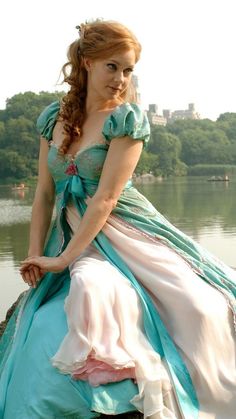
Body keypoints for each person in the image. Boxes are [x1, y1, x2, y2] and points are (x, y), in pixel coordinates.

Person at [0, 19, 235, 419]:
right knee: (72, 302)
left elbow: (106, 198)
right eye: (113, 66)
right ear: (87, 63)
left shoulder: (125, 121)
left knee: (197, 306)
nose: (121, 78)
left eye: (128, 70)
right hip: (73, 227)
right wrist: (36, 252)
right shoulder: (52, 118)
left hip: (125, 227)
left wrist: (63, 260)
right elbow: (43, 193)